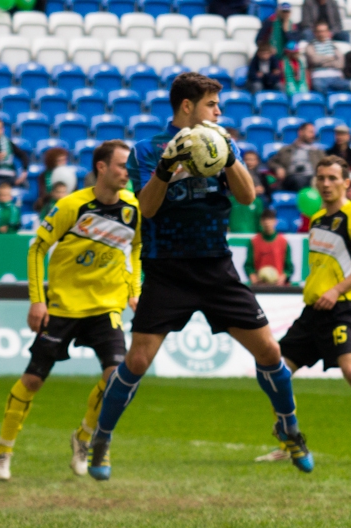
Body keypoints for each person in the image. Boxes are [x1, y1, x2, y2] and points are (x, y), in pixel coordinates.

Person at [87, 73, 313, 481]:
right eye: (212, 104)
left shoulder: (223, 143)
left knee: (270, 354)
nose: (219, 111)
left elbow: (247, 197)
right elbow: (149, 209)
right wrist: (167, 166)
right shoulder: (145, 149)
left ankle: (289, 427)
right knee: (136, 360)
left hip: (215, 267)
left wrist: (229, 156)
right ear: (187, 106)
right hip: (167, 269)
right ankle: (101, 438)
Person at [0, 140, 141, 482]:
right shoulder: (71, 206)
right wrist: (37, 300)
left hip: (106, 307)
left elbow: (138, 248)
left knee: (116, 377)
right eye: (120, 166)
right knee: (33, 379)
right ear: (101, 167)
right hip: (63, 306)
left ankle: (83, 439)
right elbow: (37, 247)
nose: (127, 173)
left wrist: (134, 291)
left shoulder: (134, 208)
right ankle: (3, 450)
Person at [273, 156, 351, 466]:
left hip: (340, 308)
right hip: (312, 311)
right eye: (321, 178)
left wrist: (336, 290)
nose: (326, 183)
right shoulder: (317, 220)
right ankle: (290, 442)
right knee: (276, 375)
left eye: (332, 178)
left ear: (347, 183)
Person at [268, 122, 324, 191]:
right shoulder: (286, 150)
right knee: (299, 180)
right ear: (301, 132)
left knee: (317, 181)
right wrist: (278, 168)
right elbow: (272, 161)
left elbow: (326, 164)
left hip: (312, 177)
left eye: (313, 132)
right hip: (293, 177)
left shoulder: (317, 152)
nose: (313, 135)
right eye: (310, 132)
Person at [245, 209, 294, 286]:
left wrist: (283, 277)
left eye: (270, 219)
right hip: (260, 285)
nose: (267, 222)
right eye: (264, 219)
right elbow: (248, 265)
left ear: (275, 221)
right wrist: (253, 277)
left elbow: (289, 267)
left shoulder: (283, 241)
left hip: (278, 286)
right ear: (260, 222)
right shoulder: (254, 242)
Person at [306, 23, 351, 94]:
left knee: (350, 85)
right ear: (315, 33)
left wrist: (321, 61)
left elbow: (340, 64)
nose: (321, 34)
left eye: (323, 31)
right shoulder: (310, 46)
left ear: (328, 32)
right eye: (319, 31)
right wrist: (331, 58)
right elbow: (314, 60)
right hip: (319, 77)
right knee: (318, 87)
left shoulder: (334, 46)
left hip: (336, 76)